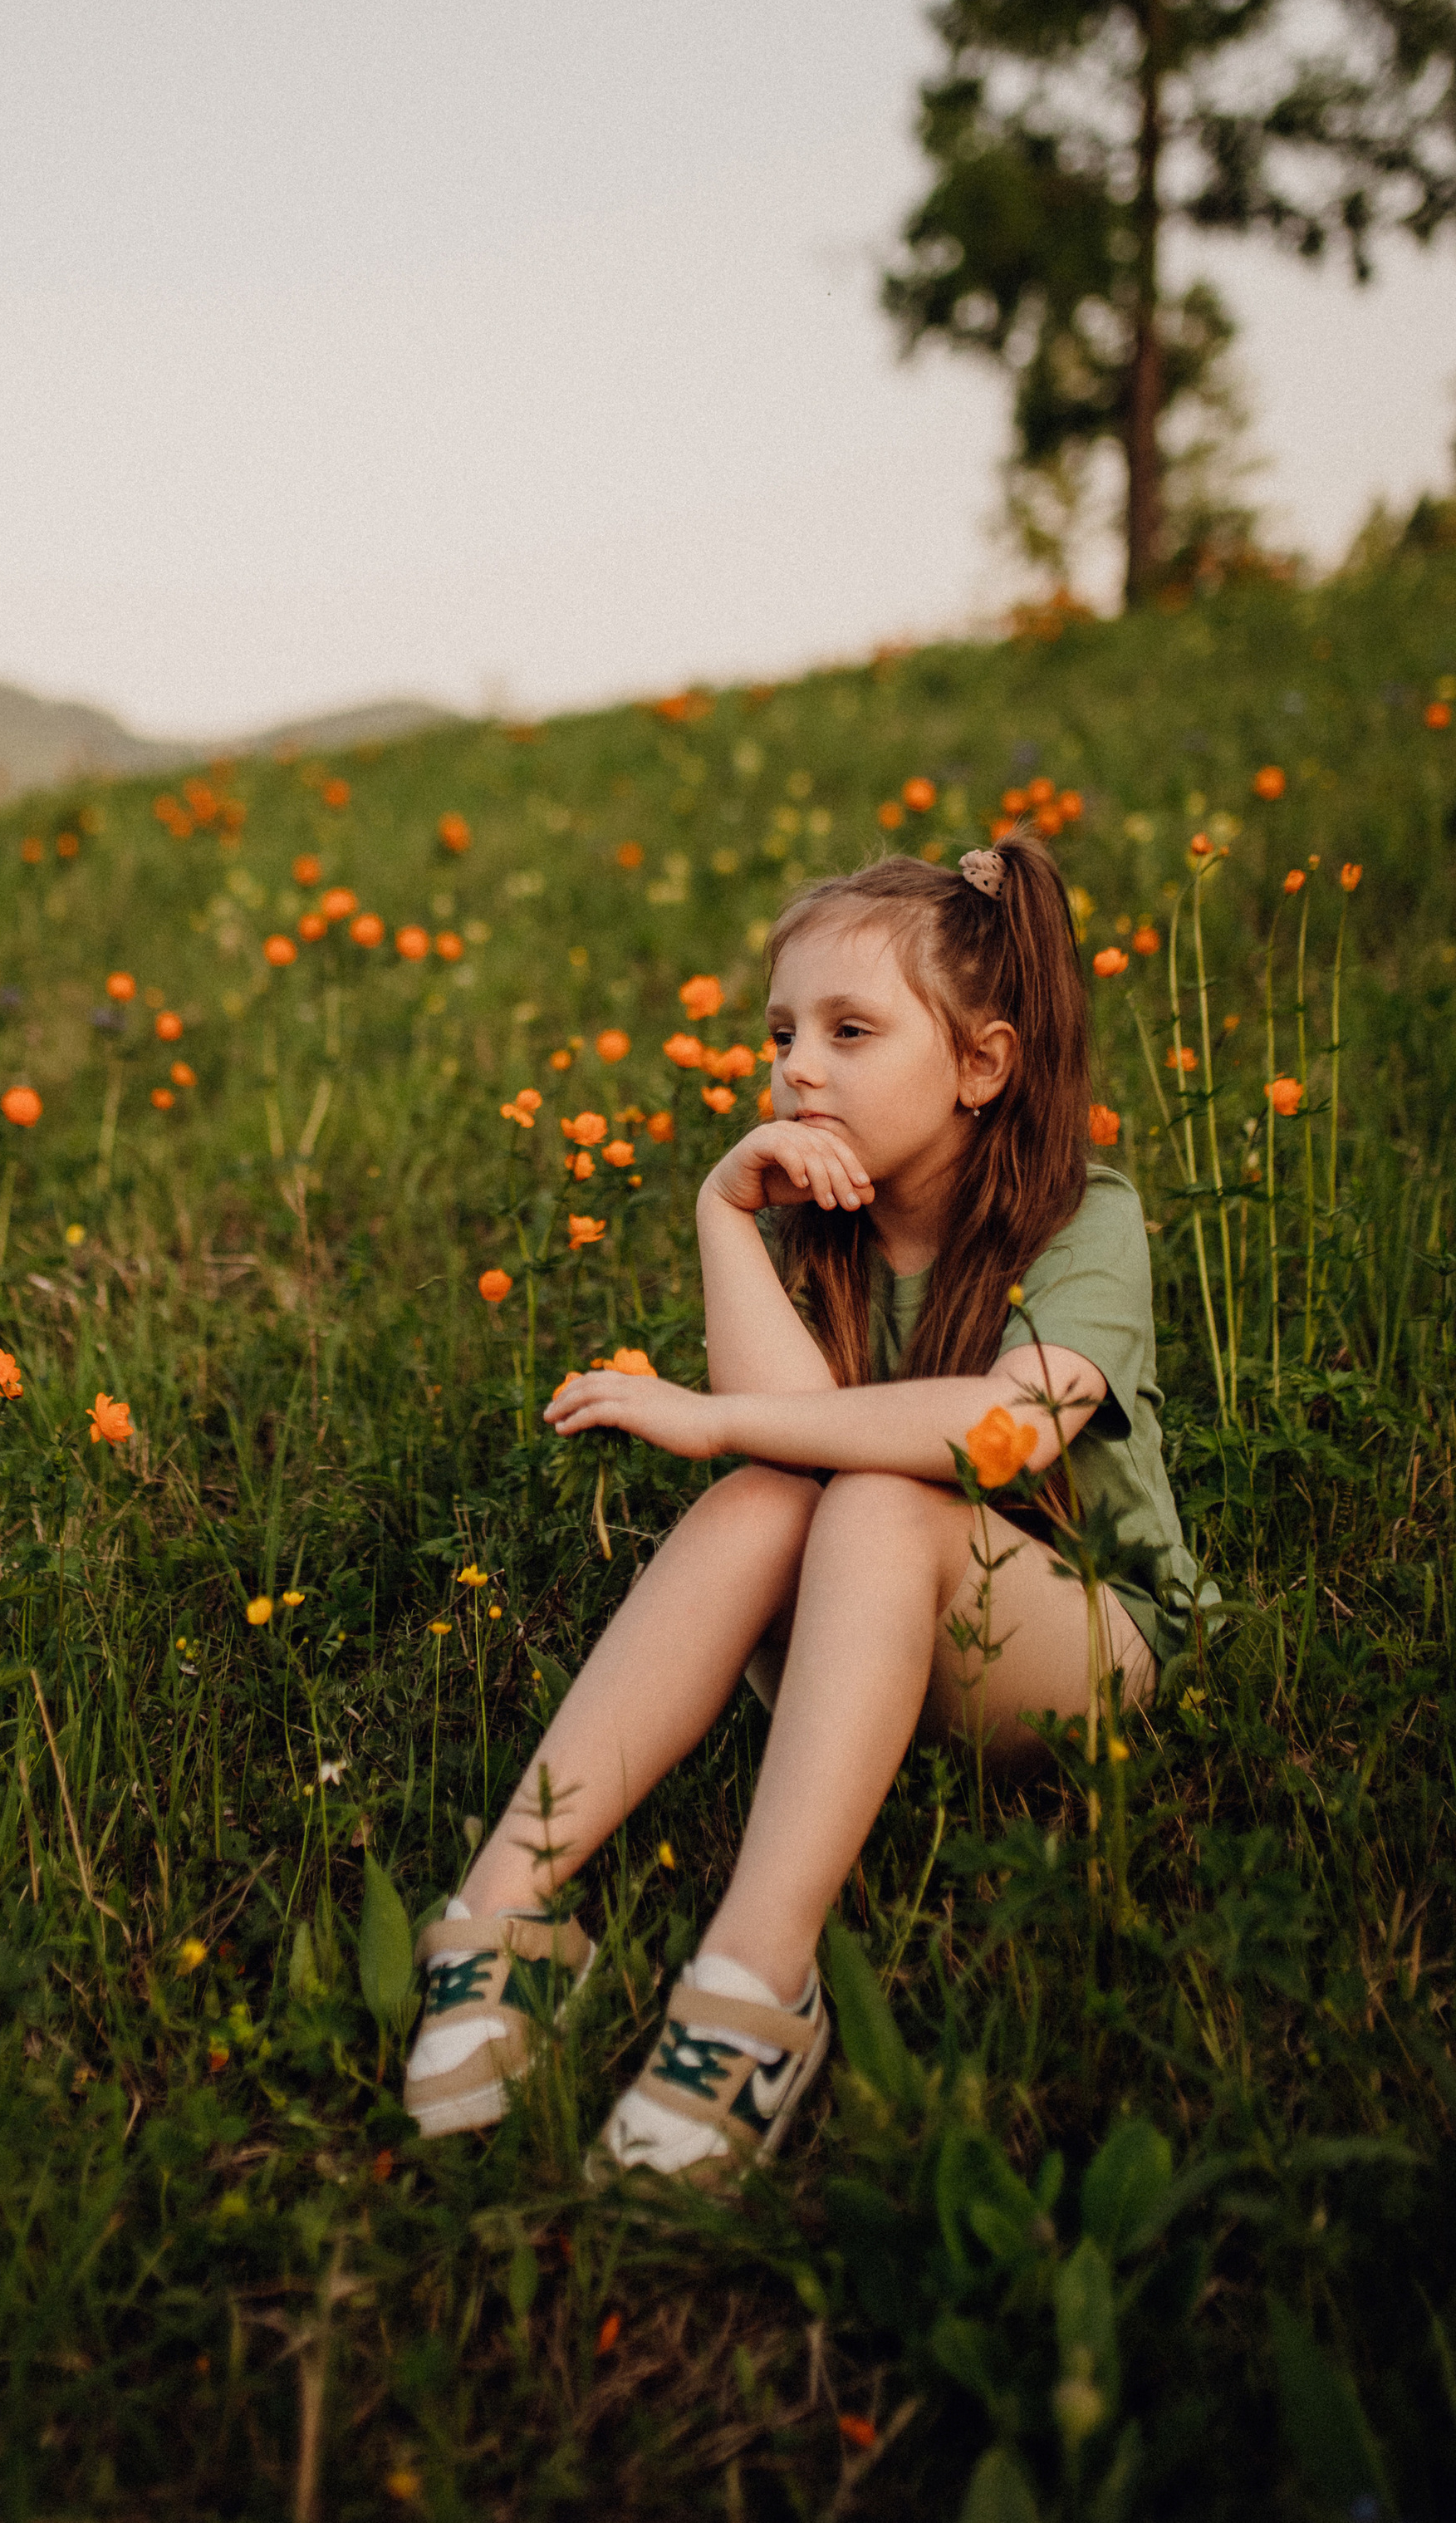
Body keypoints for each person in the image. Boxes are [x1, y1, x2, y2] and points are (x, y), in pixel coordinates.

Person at [402, 834, 1213, 2179]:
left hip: (1082, 1657)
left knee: (884, 1501)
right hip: (866, 1640)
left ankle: (756, 1977)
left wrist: (713, 1418)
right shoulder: (815, 1232)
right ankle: (501, 1907)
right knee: (778, 1495)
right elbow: (774, 1454)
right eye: (782, 1032)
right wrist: (724, 1209)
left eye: (850, 1029)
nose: (798, 1067)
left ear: (983, 1064)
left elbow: (1006, 1431)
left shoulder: (1082, 1221)